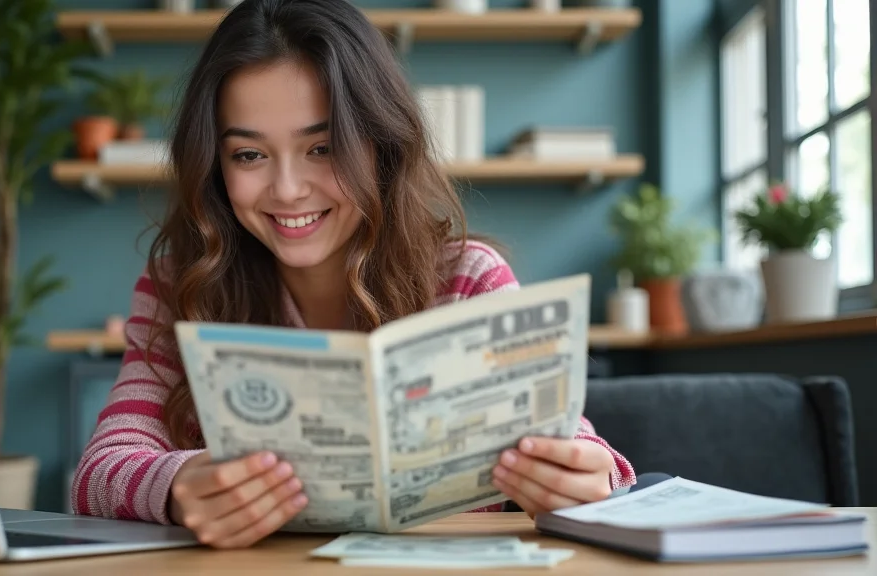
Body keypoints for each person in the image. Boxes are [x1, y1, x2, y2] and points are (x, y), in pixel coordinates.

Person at [71, 0, 636, 549]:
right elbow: (100, 469)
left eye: (322, 147)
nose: (288, 189)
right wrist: (175, 487)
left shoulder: (468, 279)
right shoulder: (181, 284)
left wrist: (584, 482)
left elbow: (583, 453)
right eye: (248, 155)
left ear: (379, 145)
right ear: (215, 166)